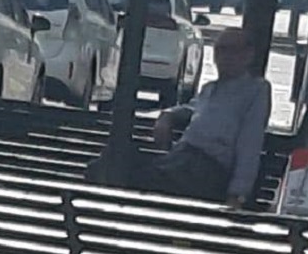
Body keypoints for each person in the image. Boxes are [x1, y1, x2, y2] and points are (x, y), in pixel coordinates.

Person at [88, 27, 271, 207]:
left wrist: (238, 194)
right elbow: (192, 108)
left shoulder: (256, 90)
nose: (225, 57)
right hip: (180, 160)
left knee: (124, 172)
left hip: (207, 169)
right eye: (220, 50)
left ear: (248, 55)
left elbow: (250, 143)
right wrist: (168, 115)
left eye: (232, 50)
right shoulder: (210, 89)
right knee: (115, 157)